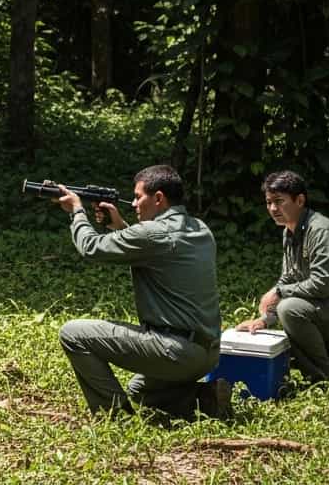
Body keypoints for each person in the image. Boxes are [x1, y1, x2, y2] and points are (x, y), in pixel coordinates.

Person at [54, 165, 230, 421]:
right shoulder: (200, 228)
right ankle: (204, 399)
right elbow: (154, 252)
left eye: (138, 197)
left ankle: (116, 420)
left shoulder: (153, 233)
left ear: (158, 198)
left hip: (175, 351)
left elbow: (91, 247)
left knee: (73, 333)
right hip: (207, 352)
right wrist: (120, 226)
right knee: (139, 394)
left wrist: (77, 211)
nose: (134, 203)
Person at [235, 170, 329, 382]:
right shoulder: (289, 231)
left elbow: (322, 285)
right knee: (289, 331)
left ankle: (323, 378)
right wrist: (265, 320)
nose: (273, 209)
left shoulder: (321, 231)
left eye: (279, 201)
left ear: (300, 200)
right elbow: (289, 279)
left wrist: (278, 294)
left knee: (291, 310)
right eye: (268, 202)